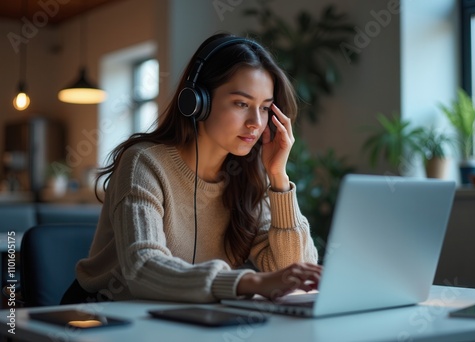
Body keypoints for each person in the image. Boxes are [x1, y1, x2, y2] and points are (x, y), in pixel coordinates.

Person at [61, 33, 321, 305]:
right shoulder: (144, 162)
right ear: (198, 102)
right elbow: (143, 268)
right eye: (241, 104)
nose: (256, 122)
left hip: (185, 315)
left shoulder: (249, 176)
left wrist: (279, 178)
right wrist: (250, 282)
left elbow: (294, 274)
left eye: (265, 108)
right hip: (107, 315)